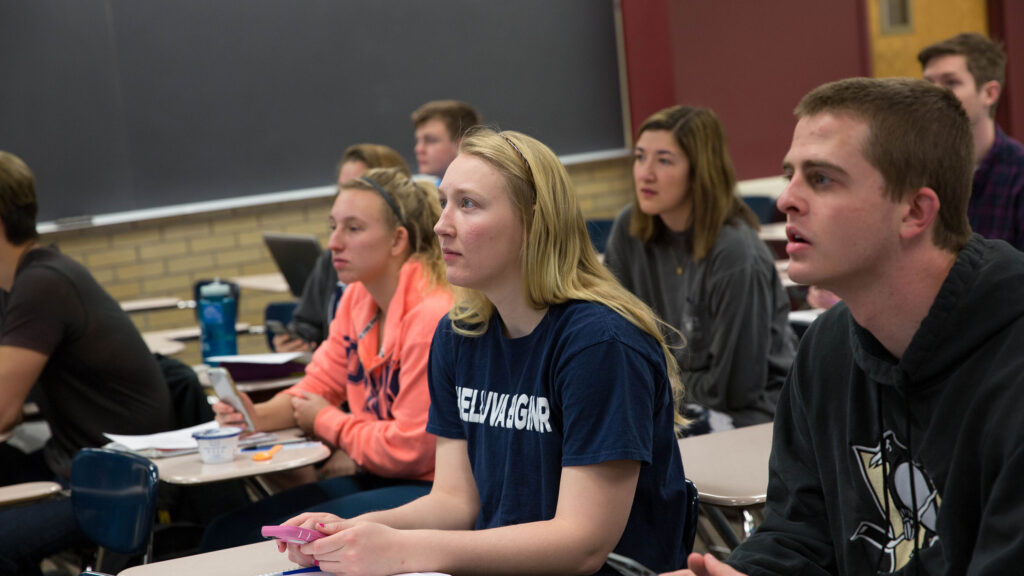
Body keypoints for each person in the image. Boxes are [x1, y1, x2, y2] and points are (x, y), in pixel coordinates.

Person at [275, 128, 690, 575]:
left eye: (467, 204)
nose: (441, 225)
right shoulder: (459, 336)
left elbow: (582, 543)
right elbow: (455, 502)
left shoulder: (600, 344)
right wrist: (351, 530)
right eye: (442, 203)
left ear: (533, 222)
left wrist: (404, 551)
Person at [672, 77, 1024, 575]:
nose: (785, 200)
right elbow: (798, 536)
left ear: (915, 211)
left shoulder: (1010, 366)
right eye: (788, 174)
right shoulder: (827, 349)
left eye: (821, 179)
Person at [203, 167, 452, 551]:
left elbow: (410, 451)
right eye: (333, 226)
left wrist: (327, 420)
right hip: (378, 475)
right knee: (226, 531)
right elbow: (319, 384)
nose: (333, 243)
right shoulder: (356, 298)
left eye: (353, 228)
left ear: (397, 240)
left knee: (254, 541)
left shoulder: (431, 316)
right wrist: (256, 415)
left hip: (429, 491)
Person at [0, 151, 174, 574]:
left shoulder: (42, 285)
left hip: (116, 487)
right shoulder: (23, 283)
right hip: (77, 462)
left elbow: (2, 411)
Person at [605, 106, 796, 432]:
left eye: (664, 160)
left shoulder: (736, 253)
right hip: (668, 401)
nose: (645, 173)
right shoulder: (630, 230)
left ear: (699, 171)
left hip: (752, 419)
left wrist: (647, 383)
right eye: (640, 157)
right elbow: (611, 342)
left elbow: (734, 389)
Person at [274, 143, 411, 353]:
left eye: (359, 186)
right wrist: (298, 340)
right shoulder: (334, 262)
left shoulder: (420, 306)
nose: (334, 244)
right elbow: (308, 323)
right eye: (342, 188)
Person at [919, 32, 1024, 250]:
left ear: (989, 93)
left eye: (951, 83)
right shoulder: (915, 169)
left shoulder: (1018, 175)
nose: (934, 94)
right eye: (928, 84)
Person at [410, 99, 481, 181]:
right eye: (418, 140)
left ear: (463, 145)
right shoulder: (422, 187)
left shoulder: (485, 190)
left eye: (430, 140)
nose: (418, 149)